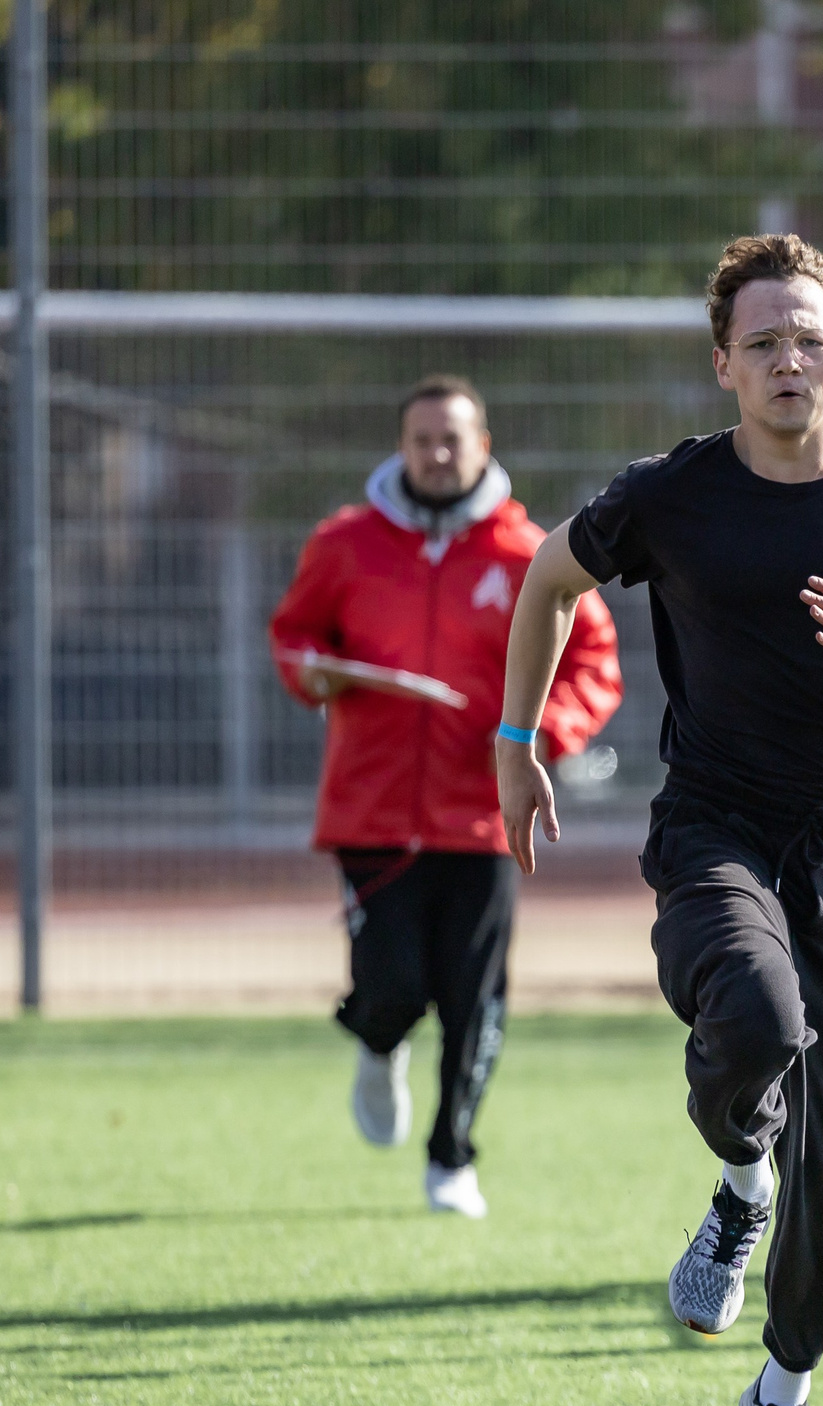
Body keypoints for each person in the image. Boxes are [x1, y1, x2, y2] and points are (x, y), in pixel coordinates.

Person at [496, 235, 823, 1406]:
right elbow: (550, 578)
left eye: (807, 338)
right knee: (757, 1020)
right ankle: (737, 1173)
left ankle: (781, 1394)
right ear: (724, 364)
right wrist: (516, 740)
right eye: (761, 341)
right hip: (715, 827)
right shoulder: (671, 494)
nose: (786, 359)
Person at [271, 375, 623, 1217]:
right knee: (391, 985)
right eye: (421, 438)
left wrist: (541, 734)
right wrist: (308, 672)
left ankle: (451, 1157)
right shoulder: (344, 543)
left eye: (451, 438)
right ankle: (378, 1042)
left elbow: (593, 666)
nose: (436, 454)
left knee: (475, 995)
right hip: (372, 809)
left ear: (483, 445)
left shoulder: (528, 553)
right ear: (400, 448)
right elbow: (295, 634)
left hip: (484, 813)